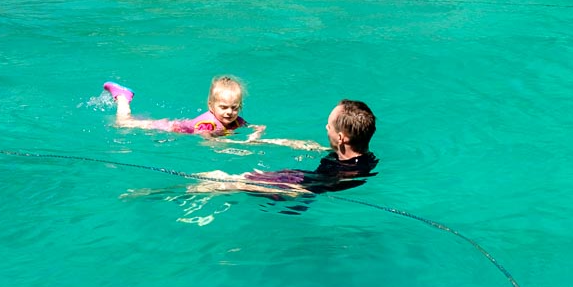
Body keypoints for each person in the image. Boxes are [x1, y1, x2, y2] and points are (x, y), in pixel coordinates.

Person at [190, 99, 378, 196]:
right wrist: (272, 141)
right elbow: (322, 149)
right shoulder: (363, 157)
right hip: (302, 176)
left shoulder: (341, 175)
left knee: (217, 178)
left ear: (341, 138)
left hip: (298, 190)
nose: (326, 128)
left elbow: (299, 192)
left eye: (329, 126)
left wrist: (236, 185)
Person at [103, 75, 266, 138]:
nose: (230, 112)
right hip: (171, 128)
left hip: (179, 124)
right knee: (123, 123)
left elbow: (247, 126)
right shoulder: (208, 124)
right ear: (211, 106)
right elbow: (207, 140)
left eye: (234, 107)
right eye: (223, 107)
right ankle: (122, 96)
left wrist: (256, 130)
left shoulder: (236, 119)